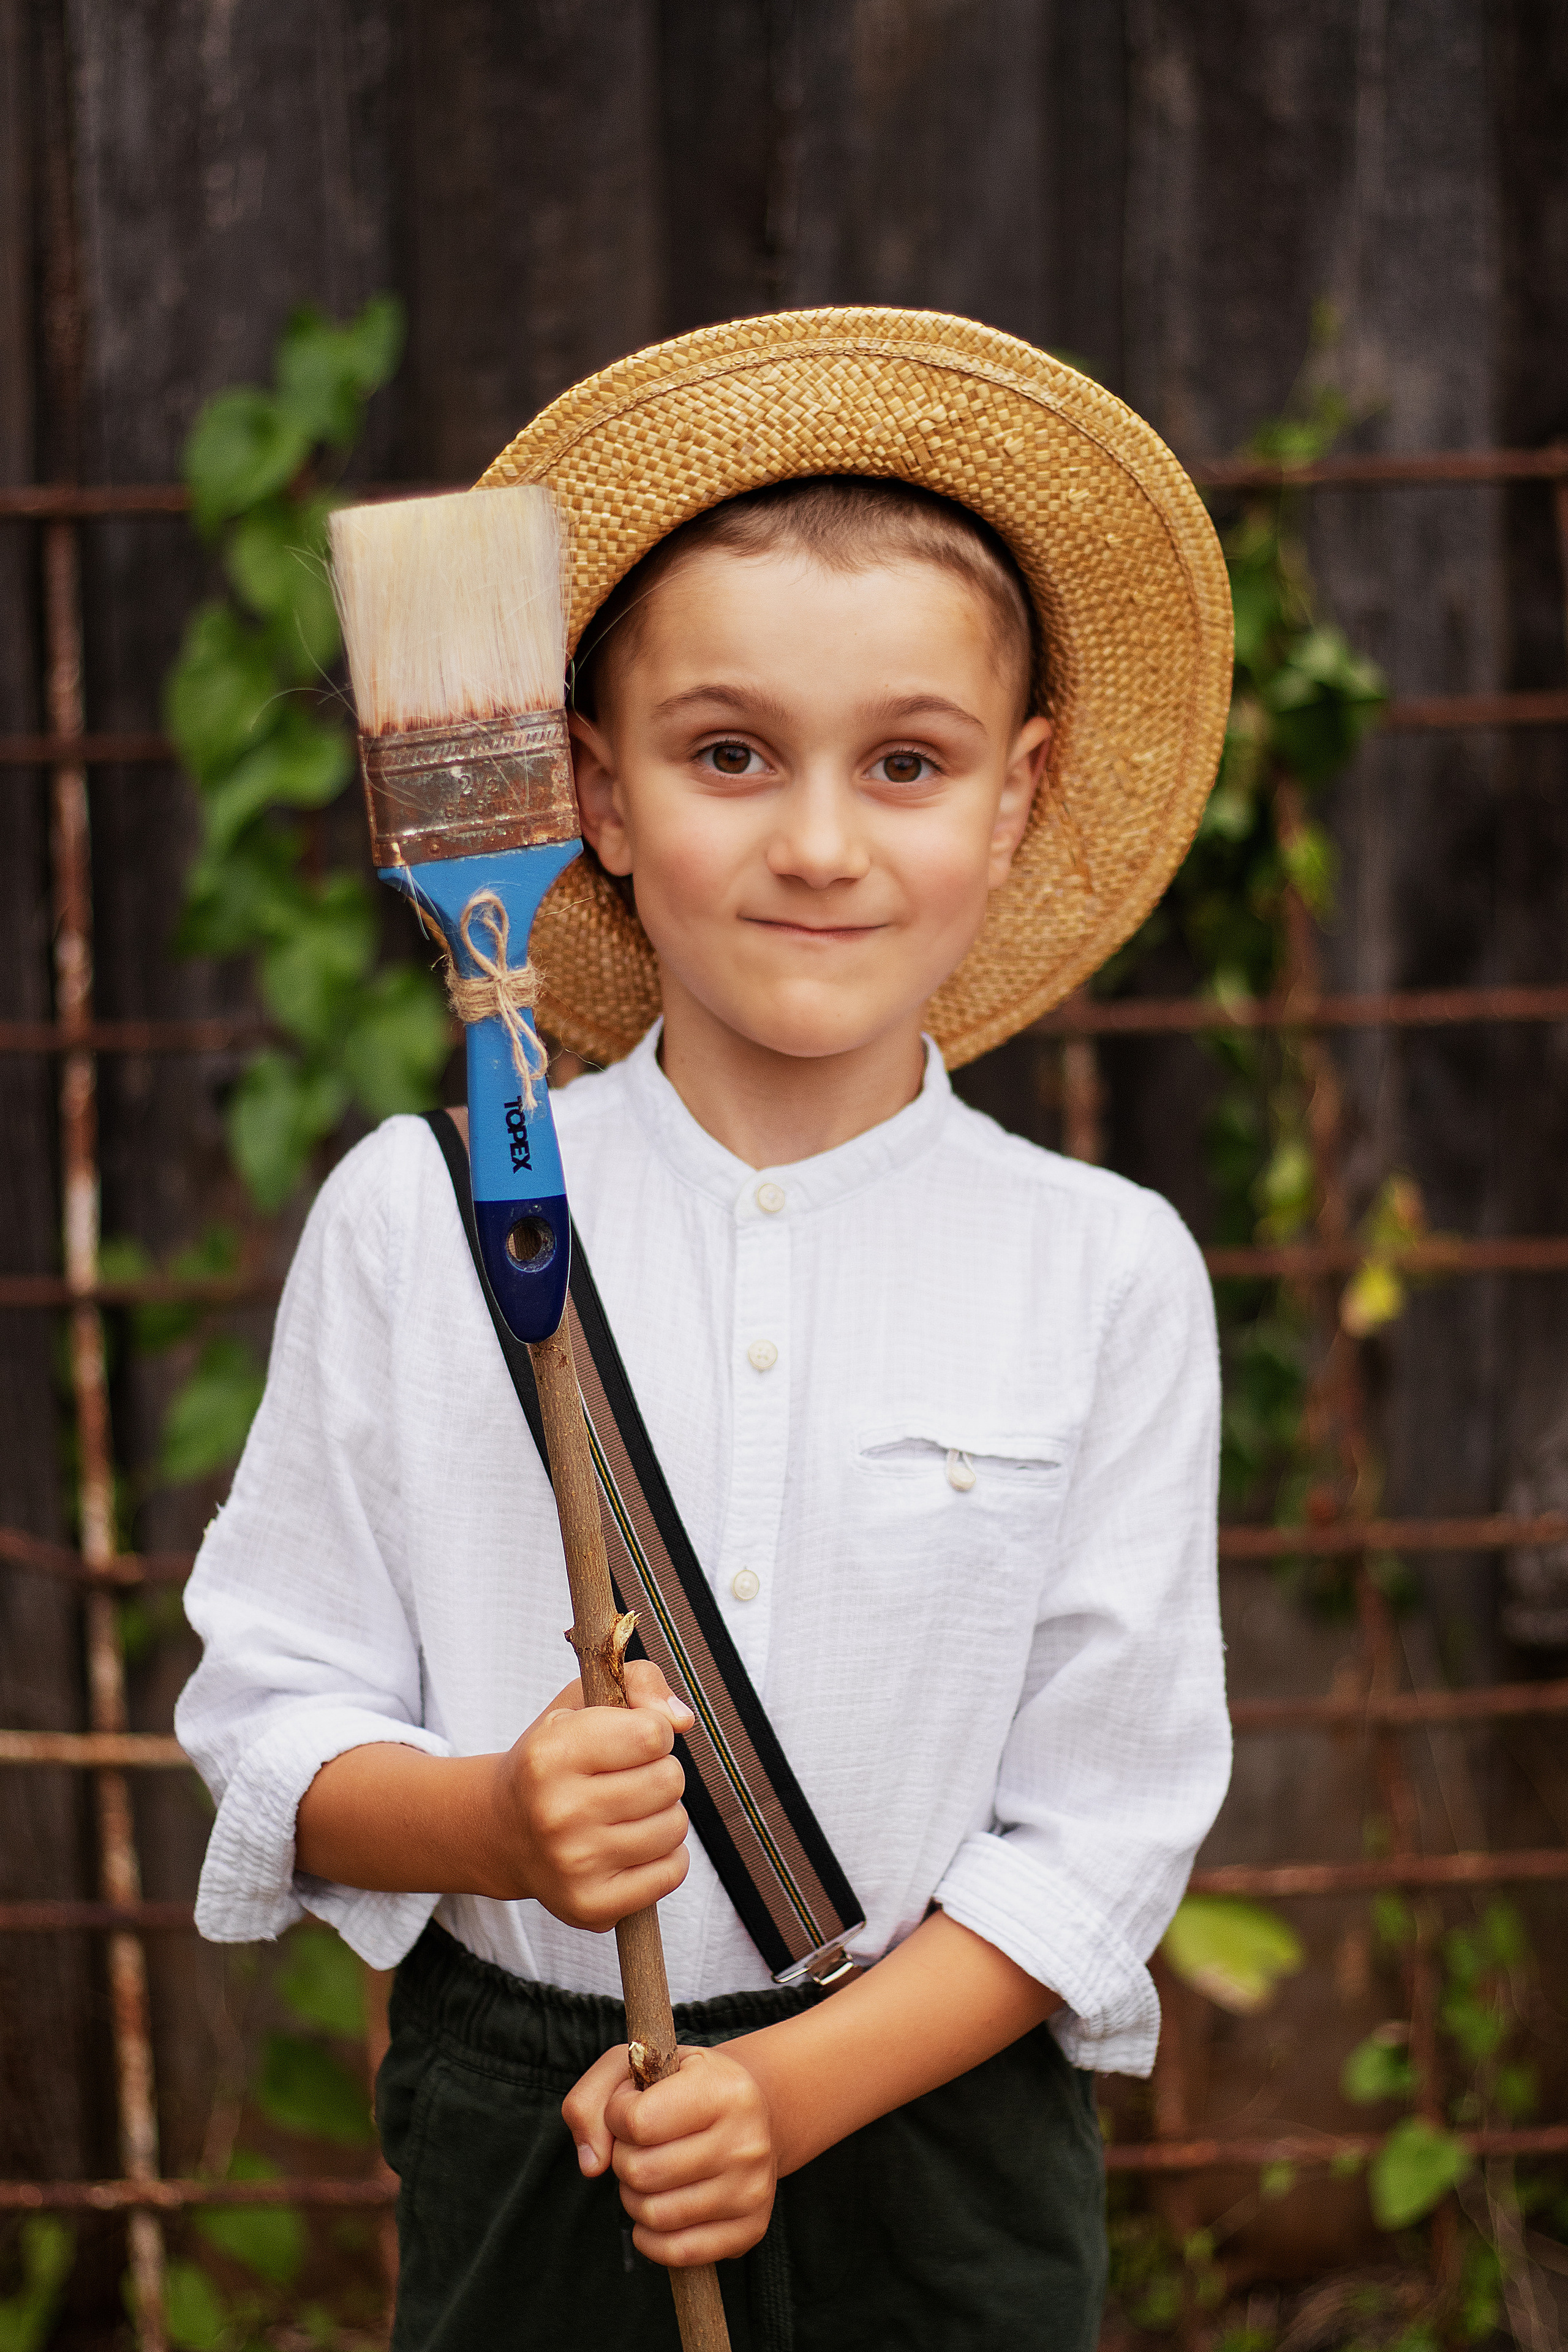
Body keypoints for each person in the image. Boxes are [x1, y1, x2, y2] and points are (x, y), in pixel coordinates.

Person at [176, 307, 1235, 2351]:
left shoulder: (1103, 1270)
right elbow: (270, 1720)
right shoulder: (418, 1219)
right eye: (729, 753)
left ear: (1017, 797)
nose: (818, 844)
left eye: (906, 763)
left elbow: (1102, 1827)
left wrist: (787, 2091)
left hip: (936, 2150)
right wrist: (491, 1820)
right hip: (530, 2143)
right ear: (591, 787)